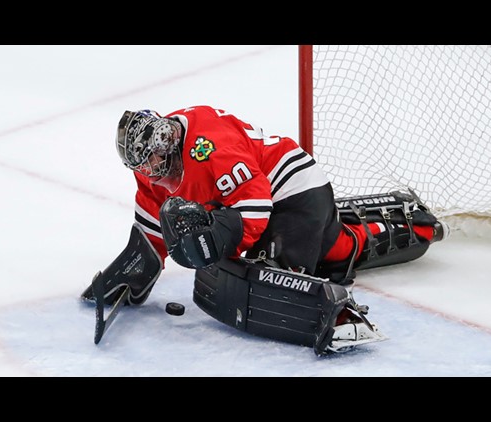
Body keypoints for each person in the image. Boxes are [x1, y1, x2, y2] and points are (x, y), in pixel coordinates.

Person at [83, 106, 449, 355]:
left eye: (155, 160)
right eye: (142, 165)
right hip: (255, 203)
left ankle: (414, 229)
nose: (151, 170)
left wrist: (219, 237)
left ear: (169, 141)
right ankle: (375, 230)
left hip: (293, 192)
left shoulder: (209, 146)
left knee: (287, 274)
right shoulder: (148, 163)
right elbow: (154, 215)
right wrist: (139, 264)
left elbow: (255, 203)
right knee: (320, 253)